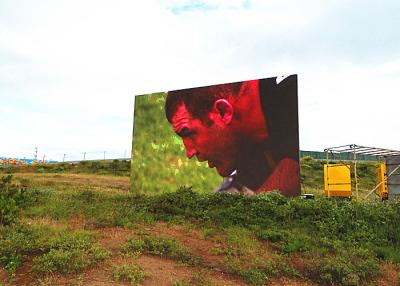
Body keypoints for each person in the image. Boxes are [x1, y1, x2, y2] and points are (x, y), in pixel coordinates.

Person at [165, 75, 300, 197]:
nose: (189, 152)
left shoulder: (290, 95)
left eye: (189, 133)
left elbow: (294, 174)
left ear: (223, 112)